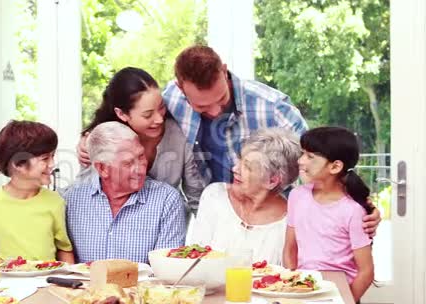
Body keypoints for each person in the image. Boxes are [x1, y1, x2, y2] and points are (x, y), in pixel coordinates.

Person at [163, 45, 381, 235]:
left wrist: (358, 204)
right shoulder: (172, 99)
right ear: (181, 89)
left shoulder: (272, 107)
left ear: (224, 70)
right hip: (217, 217)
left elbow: (319, 160)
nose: (215, 110)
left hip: (273, 221)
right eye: (201, 107)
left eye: (221, 98)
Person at [76, 67, 207, 215]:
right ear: (122, 114)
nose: (159, 119)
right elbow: (83, 194)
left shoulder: (177, 136)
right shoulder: (105, 140)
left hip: (165, 227)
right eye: (148, 115)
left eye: (161, 107)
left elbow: (196, 197)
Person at [0, 120, 75, 271]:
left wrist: (69, 279)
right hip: (6, 289)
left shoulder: (55, 202)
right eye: (45, 158)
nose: (52, 164)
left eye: (52, 156)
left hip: (45, 286)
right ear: (18, 164)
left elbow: (64, 248)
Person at [65, 121, 186, 263]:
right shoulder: (72, 199)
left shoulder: (167, 200)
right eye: (128, 163)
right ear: (102, 168)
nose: (140, 169)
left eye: (141, 156)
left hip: (145, 285)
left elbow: (166, 268)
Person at [283, 127, 374, 302]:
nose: (301, 161)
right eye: (302, 154)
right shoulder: (297, 196)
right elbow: (290, 248)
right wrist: (292, 287)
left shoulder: (352, 210)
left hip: (338, 294)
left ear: (335, 166)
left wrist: (346, 300)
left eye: (310, 156)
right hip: (303, 291)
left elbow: (366, 271)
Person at [187, 128, 301, 265]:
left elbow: (287, 280)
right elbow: (193, 262)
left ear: (272, 181)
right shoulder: (215, 196)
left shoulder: (289, 225)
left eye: (247, 167)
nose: (235, 169)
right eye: (240, 159)